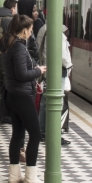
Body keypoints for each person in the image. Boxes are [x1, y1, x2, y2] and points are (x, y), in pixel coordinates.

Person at [2, 14, 47, 183]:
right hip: (22, 96)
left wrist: (33, 67)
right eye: (30, 29)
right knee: (35, 135)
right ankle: (30, 176)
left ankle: (14, 175)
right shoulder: (19, 48)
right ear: (24, 30)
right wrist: (38, 70)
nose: (31, 32)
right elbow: (22, 75)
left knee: (18, 134)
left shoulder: (9, 45)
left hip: (13, 94)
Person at [35, 18, 72, 146]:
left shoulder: (45, 32)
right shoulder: (58, 35)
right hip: (57, 70)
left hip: (47, 69)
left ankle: (42, 131)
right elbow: (63, 56)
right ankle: (55, 134)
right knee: (57, 102)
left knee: (45, 101)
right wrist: (69, 66)